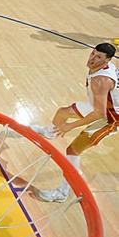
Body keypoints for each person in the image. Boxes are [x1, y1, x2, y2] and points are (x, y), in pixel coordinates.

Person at [31, 43, 118, 202]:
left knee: (73, 150)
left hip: (110, 118)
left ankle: (62, 193)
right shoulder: (104, 68)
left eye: (98, 57)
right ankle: (49, 132)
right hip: (100, 105)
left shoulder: (102, 80)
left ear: (107, 60)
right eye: (93, 53)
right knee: (62, 113)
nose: (92, 58)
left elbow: (99, 113)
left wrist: (70, 126)